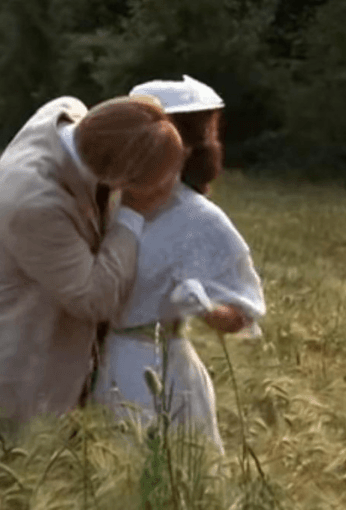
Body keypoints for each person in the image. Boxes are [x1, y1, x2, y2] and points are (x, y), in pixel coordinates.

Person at [0, 95, 187, 428]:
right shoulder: (32, 200)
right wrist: (134, 209)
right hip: (7, 378)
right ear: (122, 178)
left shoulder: (69, 115)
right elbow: (93, 299)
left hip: (53, 367)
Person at [91, 76, 266, 454]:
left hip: (157, 372)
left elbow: (240, 314)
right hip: (89, 364)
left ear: (184, 149)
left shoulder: (200, 220)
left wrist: (205, 308)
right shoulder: (104, 201)